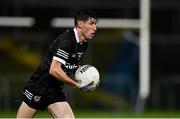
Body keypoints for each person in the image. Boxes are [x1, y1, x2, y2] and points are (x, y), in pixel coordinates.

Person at [16, 8, 98, 118]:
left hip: (55, 90)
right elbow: (54, 70)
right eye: (91, 23)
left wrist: (84, 75)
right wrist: (77, 85)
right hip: (39, 86)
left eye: (95, 24)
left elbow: (70, 65)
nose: (95, 28)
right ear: (80, 24)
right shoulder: (67, 41)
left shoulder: (83, 44)